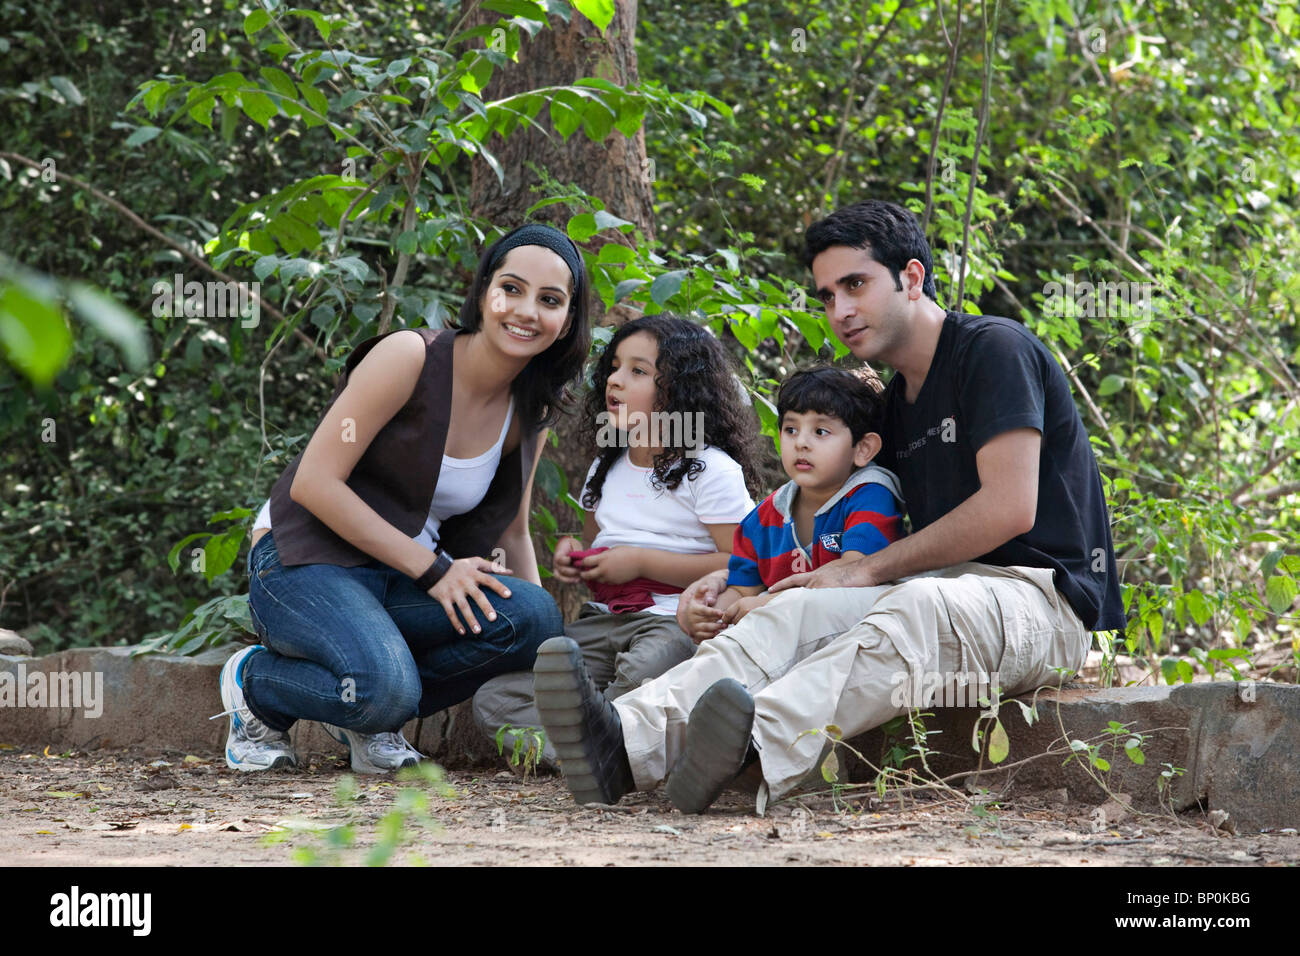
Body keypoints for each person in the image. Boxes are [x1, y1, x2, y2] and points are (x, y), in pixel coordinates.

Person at [532, 199, 1125, 812]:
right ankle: (623, 740)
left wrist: (866, 568)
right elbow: (824, 537)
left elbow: (1009, 508)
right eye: (826, 295)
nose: (840, 310)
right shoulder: (893, 409)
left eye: (856, 285)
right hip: (937, 589)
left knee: (917, 602)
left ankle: (746, 743)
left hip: (1043, 602)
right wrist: (726, 580)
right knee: (788, 612)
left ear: (913, 278)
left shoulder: (991, 350)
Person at [216, 222, 590, 773]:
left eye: (550, 300)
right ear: (485, 292)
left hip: (400, 582)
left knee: (534, 618)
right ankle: (257, 684)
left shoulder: (527, 412)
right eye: (511, 288)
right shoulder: (409, 356)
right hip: (303, 561)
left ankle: (364, 707)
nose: (526, 310)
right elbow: (313, 483)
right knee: (385, 690)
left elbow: (512, 531)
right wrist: (437, 571)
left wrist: (539, 646)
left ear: (565, 323)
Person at [472, 315, 761, 771]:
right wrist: (576, 560)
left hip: (669, 624)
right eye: (614, 367)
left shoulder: (709, 468)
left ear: (679, 391)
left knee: (644, 676)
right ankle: (602, 753)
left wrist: (642, 562)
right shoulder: (605, 467)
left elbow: (746, 562)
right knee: (496, 699)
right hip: (601, 622)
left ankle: (601, 746)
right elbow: (600, 547)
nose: (615, 380)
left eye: (638, 371)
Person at [696, 365, 904, 637]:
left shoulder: (870, 495)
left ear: (863, 448)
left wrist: (766, 605)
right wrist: (711, 616)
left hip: (852, 643)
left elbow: (855, 571)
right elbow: (742, 591)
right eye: (791, 429)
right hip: (778, 646)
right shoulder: (762, 517)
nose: (801, 443)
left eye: (820, 432)